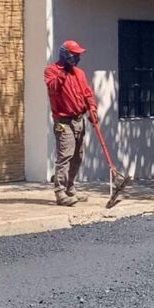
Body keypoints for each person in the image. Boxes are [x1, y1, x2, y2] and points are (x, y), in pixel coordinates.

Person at [44, 40, 98, 207]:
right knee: (65, 156)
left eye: (78, 55)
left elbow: (87, 93)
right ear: (65, 54)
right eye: (74, 54)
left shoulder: (79, 73)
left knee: (77, 156)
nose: (77, 58)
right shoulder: (51, 70)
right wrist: (64, 72)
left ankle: (70, 187)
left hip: (79, 120)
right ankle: (60, 192)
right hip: (63, 121)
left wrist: (92, 109)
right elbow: (53, 87)